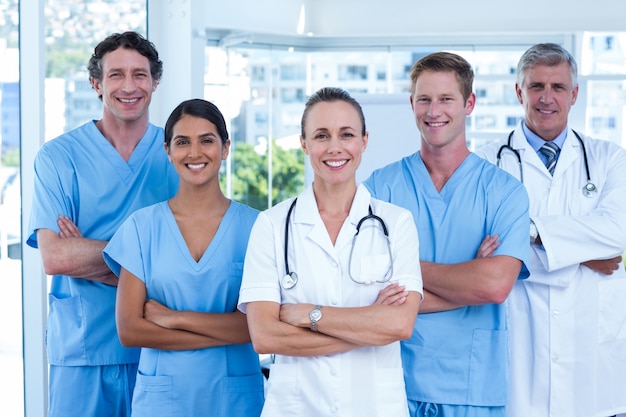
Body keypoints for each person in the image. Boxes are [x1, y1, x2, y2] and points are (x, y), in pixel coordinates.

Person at [238, 87, 423, 417]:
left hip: (375, 407)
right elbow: (265, 336)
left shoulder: (396, 223)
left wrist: (310, 315)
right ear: (304, 143)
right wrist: (369, 328)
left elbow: (399, 325)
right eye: (321, 135)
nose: (334, 147)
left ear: (364, 141)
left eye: (347, 134)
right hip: (297, 407)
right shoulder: (272, 225)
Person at [364, 52, 530, 417]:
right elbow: (364, 289)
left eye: (446, 99)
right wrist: (468, 278)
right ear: (411, 104)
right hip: (392, 384)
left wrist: (404, 271)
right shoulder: (380, 187)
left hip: (472, 388)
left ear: (469, 103)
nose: (433, 110)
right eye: (424, 99)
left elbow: (494, 287)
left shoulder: (504, 192)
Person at [27, 31, 178, 416]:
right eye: (116, 75)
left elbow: (190, 262)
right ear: (96, 83)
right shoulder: (58, 157)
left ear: (155, 82)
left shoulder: (178, 154)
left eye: (140, 75)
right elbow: (57, 258)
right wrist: (146, 263)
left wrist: (90, 252)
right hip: (83, 350)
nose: (129, 86)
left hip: (159, 349)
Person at [474, 43, 626, 417]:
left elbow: (617, 232)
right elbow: (480, 253)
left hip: (591, 360)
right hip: (519, 355)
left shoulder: (610, 159)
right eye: (536, 86)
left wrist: (522, 234)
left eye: (558, 87)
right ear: (518, 91)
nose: (547, 98)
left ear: (574, 94)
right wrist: (582, 256)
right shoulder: (484, 163)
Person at [102, 98, 265, 416]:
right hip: (163, 400)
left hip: (234, 400)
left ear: (225, 147)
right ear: (168, 151)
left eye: (207, 140)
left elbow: (262, 328)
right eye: (182, 142)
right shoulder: (142, 228)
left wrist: (175, 318)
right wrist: (226, 330)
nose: (194, 153)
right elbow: (130, 330)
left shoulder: (258, 227)